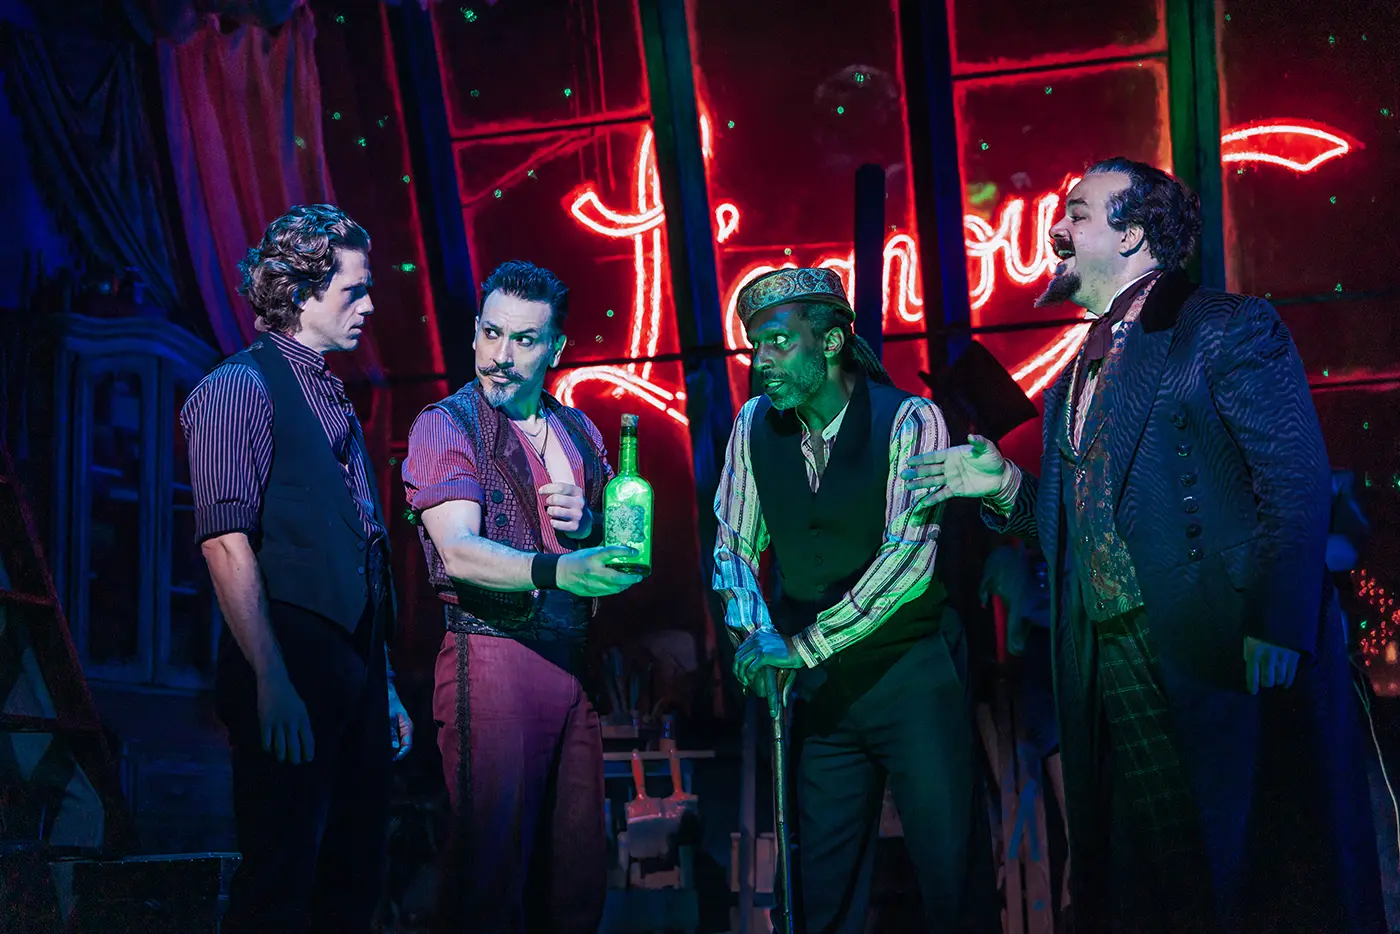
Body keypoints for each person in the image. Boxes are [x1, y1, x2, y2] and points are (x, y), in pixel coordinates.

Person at [905, 158, 1383, 933]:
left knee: (1239, 869)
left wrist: (1278, 619)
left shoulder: (1222, 325)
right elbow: (1071, 522)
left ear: (1132, 235)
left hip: (1213, 647)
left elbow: (1293, 478)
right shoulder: (1074, 376)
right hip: (1107, 656)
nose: (1055, 229)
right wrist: (1002, 490)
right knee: (1154, 878)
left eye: (1079, 213)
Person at [714, 268, 992, 933]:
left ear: (833, 342)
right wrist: (758, 638)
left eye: (780, 342)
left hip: (912, 677)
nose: (764, 361)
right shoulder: (754, 423)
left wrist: (801, 647)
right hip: (825, 695)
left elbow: (909, 559)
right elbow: (733, 547)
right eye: (756, 347)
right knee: (821, 885)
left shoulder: (910, 418)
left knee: (951, 876)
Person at [181, 204, 412, 933]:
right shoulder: (236, 389)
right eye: (353, 290)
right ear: (304, 293)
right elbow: (226, 544)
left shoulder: (331, 394)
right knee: (282, 876)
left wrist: (387, 687)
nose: (370, 305)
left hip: (355, 670)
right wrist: (269, 680)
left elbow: (360, 543)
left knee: (356, 875)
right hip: (290, 665)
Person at [401, 260, 642, 933]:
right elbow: (460, 551)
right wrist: (557, 571)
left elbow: (619, 555)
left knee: (573, 880)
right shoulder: (447, 424)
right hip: (492, 655)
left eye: (524, 341)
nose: (501, 358)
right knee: (488, 876)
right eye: (490, 334)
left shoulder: (581, 434)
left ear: (557, 349)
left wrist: (590, 528)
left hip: (573, 666)